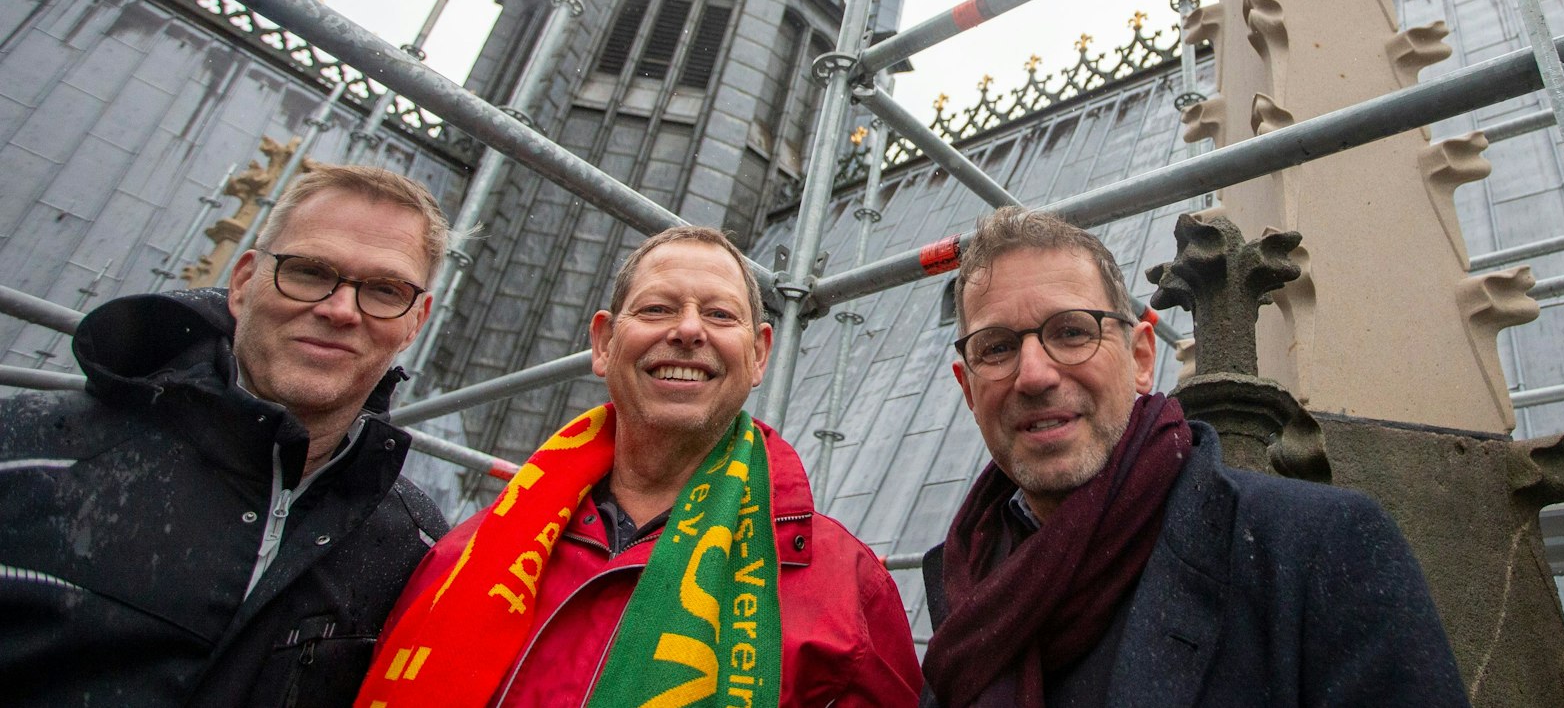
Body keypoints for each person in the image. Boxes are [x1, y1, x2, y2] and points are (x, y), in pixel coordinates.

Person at [921, 207, 1470, 708]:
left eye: (1071, 332)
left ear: (1141, 358)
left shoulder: (1321, 550)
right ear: (968, 389)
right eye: (997, 347)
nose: (1034, 374)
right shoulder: (965, 585)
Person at [362, 225, 921, 708]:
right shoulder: (458, 558)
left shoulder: (846, 591)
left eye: (720, 314)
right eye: (656, 309)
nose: (689, 330)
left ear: (759, 355)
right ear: (604, 343)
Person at [0, 163, 451, 707]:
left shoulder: (418, 547)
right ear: (242, 282)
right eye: (309, 272)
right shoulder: (24, 452)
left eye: (384, 289)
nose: (339, 309)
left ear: (416, 321)